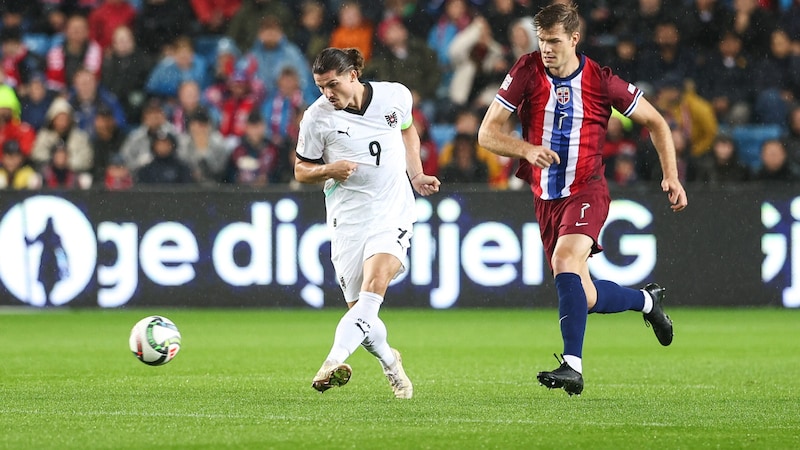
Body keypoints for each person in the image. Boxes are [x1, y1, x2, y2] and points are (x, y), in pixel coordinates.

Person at [477, 3, 688, 396]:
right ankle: (646, 302)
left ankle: (572, 365)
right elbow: (486, 134)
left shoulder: (602, 81)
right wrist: (525, 150)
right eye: (542, 41)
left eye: (555, 41)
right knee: (584, 295)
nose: (547, 49)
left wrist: (671, 176)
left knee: (565, 260)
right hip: (545, 197)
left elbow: (657, 122)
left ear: (575, 39)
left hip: (587, 188)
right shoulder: (526, 70)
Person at [295, 47, 440, 399]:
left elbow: (408, 130)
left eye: (333, 84)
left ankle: (331, 362)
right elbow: (301, 170)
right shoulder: (317, 118)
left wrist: (416, 173)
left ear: (353, 76)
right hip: (347, 219)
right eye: (320, 87)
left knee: (374, 288)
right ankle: (391, 361)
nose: (328, 94)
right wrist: (330, 169)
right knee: (362, 313)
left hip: (392, 210)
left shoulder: (395, 96)